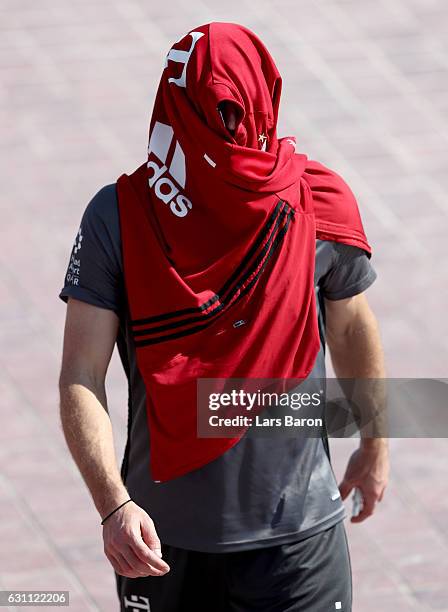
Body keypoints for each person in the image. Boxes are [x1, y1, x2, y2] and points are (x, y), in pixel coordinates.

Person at [58, 22, 389, 612]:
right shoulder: (120, 217)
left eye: (235, 108)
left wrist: (376, 440)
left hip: (298, 540)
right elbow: (81, 373)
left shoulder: (318, 203)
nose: (229, 127)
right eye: (215, 110)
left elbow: (350, 326)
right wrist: (113, 505)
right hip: (159, 540)